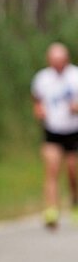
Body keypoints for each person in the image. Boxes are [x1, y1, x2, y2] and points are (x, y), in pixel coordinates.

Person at [31, 41, 78, 229]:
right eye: (54, 60)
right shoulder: (42, 79)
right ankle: (52, 210)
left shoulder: (75, 76)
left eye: (61, 60)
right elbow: (37, 100)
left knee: (72, 171)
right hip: (52, 129)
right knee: (52, 169)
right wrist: (39, 110)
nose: (58, 63)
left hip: (74, 130)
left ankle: (75, 200)